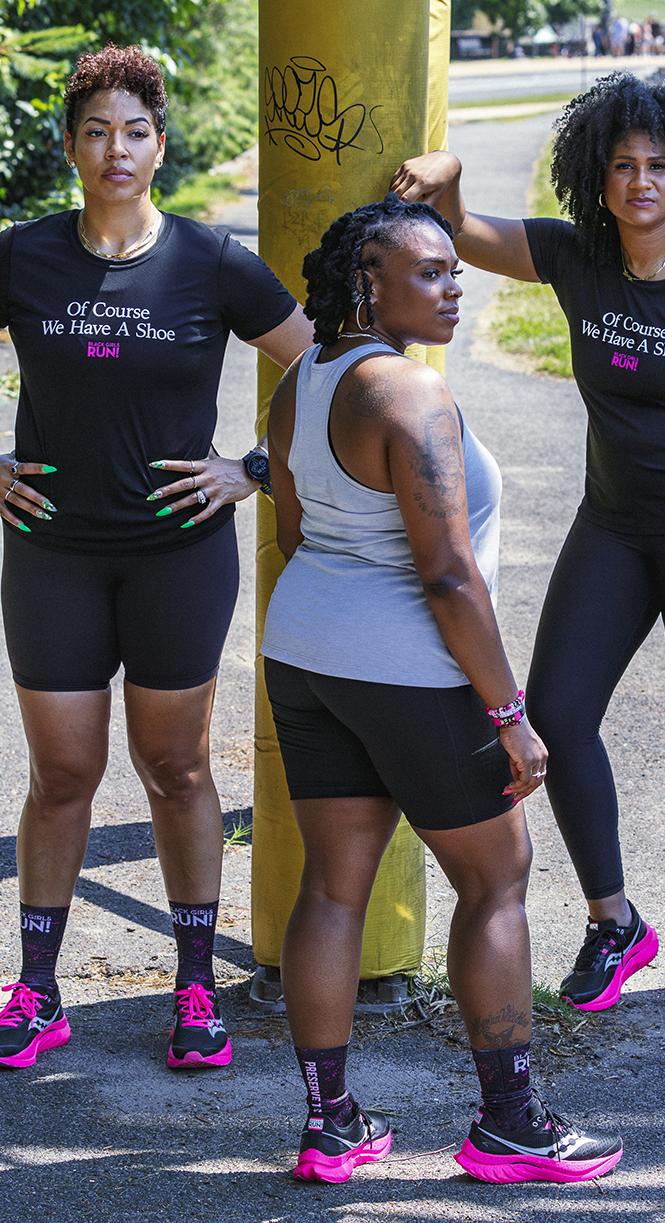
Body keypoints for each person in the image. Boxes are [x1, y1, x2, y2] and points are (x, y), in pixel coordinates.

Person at [0, 44, 312, 1071]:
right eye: (96, 132)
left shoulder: (213, 262)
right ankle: (37, 991)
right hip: (51, 555)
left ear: (160, 145)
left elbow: (319, 362)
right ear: (70, 148)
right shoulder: (23, 256)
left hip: (177, 553)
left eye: (134, 131)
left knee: (174, 766)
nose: (115, 148)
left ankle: (193, 990)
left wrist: (251, 467)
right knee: (63, 773)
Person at [390, 72, 665, 1011]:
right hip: (612, 524)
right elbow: (453, 226)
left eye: (656, 165)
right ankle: (615, 921)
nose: (639, 182)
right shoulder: (576, 259)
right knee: (557, 715)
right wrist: (444, 167)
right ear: (594, 177)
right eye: (621, 165)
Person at [261, 194, 623, 1184]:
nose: (452, 282)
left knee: (333, 883)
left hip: (303, 650)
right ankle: (511, 1123)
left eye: (452, 267)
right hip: (408, 669)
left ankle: (330, 1123)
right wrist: (509, 714)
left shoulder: (300, 379)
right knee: (495, 877)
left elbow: (295, 530)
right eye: (430, 271)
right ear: (366, 284)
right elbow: (449, 573)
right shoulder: (411, 396)